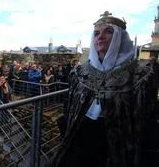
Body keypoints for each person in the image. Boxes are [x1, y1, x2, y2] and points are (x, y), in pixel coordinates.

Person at [52, 11, 155, 167]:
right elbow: (70, 106)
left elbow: (146, 118)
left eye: (108, 31)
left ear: (121, 38)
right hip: (81, 141)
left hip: (118, 148)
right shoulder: (80, 72)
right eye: (96, 33)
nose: (100, 37)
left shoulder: (142, 74)